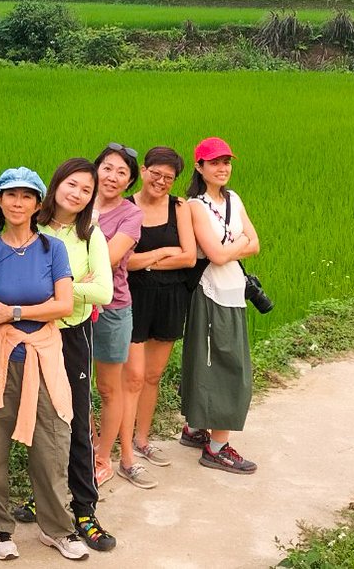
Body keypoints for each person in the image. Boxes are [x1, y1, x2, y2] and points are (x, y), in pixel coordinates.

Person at [0, 167, 89, 562]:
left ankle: (57, 529)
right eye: (10, 195)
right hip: (1, 359)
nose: (18, 203)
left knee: (53, 443)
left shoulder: (53, 249)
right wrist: (16, 314)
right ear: (0, 201)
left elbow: (65, 304)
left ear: (38, 204)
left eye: (27, 196)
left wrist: (14, 311)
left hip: (44, 355)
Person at [13, 158, 116, 552]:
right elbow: (12, 284)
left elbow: (104, 292)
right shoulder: (27, 228)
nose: (77, 193)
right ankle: (44, 496)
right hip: (28, 337)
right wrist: (74, 285)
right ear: (56, 185)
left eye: (86, 190)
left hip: (71, 336)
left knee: (73, 423)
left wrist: (59, 286)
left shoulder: (90, 235)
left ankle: (85, 510)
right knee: (36, 422)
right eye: (71, 184)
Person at [180, 136, 260, 474]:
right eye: (214, 162)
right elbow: (215, 255)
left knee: (216, 359)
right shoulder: (195, 206)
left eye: (226, 161)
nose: (222, 167)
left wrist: (232, 248)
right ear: (200, 167)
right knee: (225, 365)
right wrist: (236, 244)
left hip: (233, 293)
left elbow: (256, 244)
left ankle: (195, 427)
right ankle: (216, 447)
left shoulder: (234, 199)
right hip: (210, 293)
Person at [125, 146, 196, 470]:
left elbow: (189, 257)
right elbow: (125, 263)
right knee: (134, 377)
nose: (162, 181)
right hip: (134, 299)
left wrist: (146, 261)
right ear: (143, 171)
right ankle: (124, 445)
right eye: (156, 174)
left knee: (153, 376)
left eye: (169, 178)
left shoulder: (178, 207)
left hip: (170, 298)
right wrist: (164, 252)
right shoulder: (126, 208)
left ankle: (142, 440)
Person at [90, 143, 150, 489]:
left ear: (129, 182)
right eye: (107, 168)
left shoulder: (130, 215)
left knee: (108, 389)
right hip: (73, 309)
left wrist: (60, 277)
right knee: (74, 387)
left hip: (112, 309)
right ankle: (83, 449)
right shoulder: (78, 201)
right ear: (96, 169)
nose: (112, 176)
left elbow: (108, 260)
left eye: (121, 172)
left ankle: (102, 457)